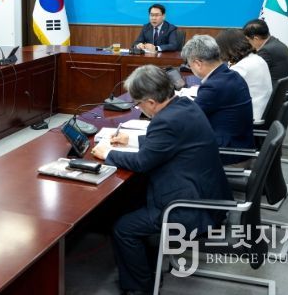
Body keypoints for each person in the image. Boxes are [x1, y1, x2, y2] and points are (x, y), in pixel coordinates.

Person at [91, 65, 232, 294]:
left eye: (138, 104)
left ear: (151, 102)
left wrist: (107, 153)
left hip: (188, 207)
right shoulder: (184, 105)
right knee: (126, 202)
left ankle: (140, 288)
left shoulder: (166, 121)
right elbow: (168, 143)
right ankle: (148, 267)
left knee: (124, 228)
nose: (138, 108)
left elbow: (142, 163)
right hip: (205, 193)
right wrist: (131, 140)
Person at [181, 35, 254, 160]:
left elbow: (187, 119)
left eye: (189, 65)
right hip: (240, 145)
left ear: (198, 63)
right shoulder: (232, 75)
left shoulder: (214, 86)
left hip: (227, 153)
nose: (190, 68)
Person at [216, 29, 272, 123]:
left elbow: (221, 94)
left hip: (251, 117)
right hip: (261, 110)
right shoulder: (257, 58)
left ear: (227, 49)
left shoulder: (241, 68)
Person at [242, 19, 288, 83]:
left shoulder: (266, 51)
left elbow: (249, 72)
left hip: (272, 88)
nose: (247, 43)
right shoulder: (275, 42)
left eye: (247, 40)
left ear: (256, 39)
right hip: (282, 87)